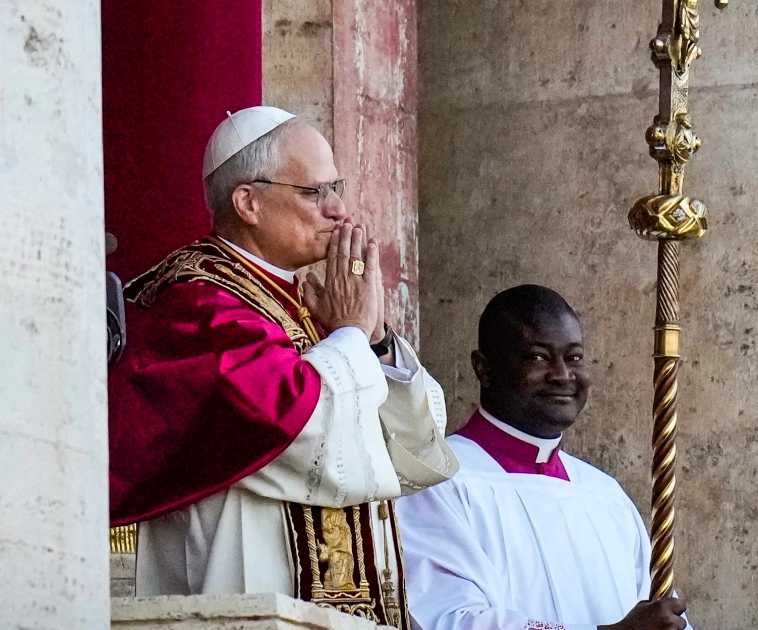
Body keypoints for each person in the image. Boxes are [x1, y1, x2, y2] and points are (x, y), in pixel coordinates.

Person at [108, 106, 457, 628]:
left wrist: (375, 340)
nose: (338, 209)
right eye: (314, 192)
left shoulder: (309, 305)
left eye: (335, 188)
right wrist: (350, 334)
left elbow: (408, 452)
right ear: (248, 202)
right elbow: (286, 421)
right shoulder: (198, 300)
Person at [396, 285, 693, 630]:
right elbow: (447, 619)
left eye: (574, 357)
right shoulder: (437, 481)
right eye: (537, 357)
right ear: (484, 368)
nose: (563, 375)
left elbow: (660, 615)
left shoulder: (605, 495)